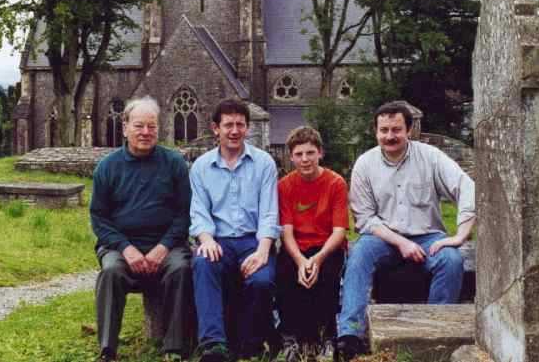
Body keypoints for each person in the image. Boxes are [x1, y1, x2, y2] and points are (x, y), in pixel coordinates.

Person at [337, 101, 476, 360]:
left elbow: (467, 187)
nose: (390, 136)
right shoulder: (365, 164)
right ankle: (350, 335)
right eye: (384, 130)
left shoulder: (430, 157)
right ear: (375, 131)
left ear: (409, 130)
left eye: (396, 129)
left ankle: (436, 333)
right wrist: (400, 242)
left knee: (452, 260)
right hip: (382, 236)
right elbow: (365, 218)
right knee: (357, 258)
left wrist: (459, 236)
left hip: (428, 234)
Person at [90, 96, 193, 362]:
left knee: (182, 269)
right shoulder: (107, 167)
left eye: (152, 126)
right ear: (124, 127)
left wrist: (163, 248)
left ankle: (174, 348)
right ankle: (107, 350)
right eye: (139, 126)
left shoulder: (174, 164)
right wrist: (127, 249)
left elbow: (184, 215)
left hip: (167, 246)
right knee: (110, 272)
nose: (146, 132)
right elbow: (99, 218)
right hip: (121, 247)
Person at [190, 98, 279, 362]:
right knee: (203, 265)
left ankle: (249, 344)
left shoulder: (264, 163)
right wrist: (205, 239)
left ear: (248, 128)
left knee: (261, 280)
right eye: (228, 125)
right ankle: (213, 344)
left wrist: (263, 251)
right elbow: (198, 211)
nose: (234, 130)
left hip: (254, 241)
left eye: (240, 124)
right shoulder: (201, 167)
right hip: (218, 241)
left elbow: (269, 212)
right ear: (215, 128)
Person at [276, 126, 348, 362]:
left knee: (327, 276)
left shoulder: (335, 183)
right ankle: (290, 338)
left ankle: (327, 336)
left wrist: (317, 259)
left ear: (320, 153)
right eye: (299, 154)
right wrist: (300, 261)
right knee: (285, 273)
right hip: (297, 246)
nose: (305, 159)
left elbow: (339, 231)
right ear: (291, 156)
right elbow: (286, 231)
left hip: (327, 246)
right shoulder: (285, 185)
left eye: (310, 153)